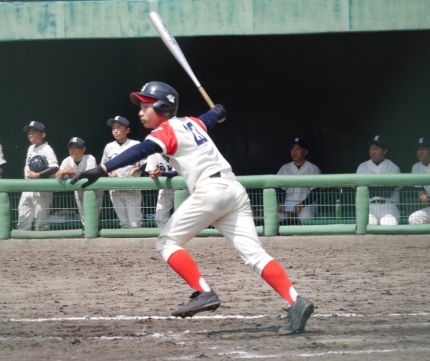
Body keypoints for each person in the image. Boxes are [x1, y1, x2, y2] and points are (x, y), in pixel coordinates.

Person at [72, 81, 315, 335]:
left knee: (167, 242)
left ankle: (203, 291)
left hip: (210, 191)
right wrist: (217, 112)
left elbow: (142, 150)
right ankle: (295, 301)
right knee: (255, 255)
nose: (140, 112)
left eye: (146, 106)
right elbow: (208, 119)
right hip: (234, 190)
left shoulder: (166, 130)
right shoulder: (192, 123)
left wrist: (102, 168)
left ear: (163, 106)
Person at [101, 116, 144, 228]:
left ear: (127, 130)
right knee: (123, 223)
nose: (115, 130)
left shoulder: (135, 144)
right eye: (113, 128)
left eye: (119, 128)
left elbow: (147, 163)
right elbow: (104, 165)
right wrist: (109, 172)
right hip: (115, 189)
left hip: (132, 188)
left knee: (134, 224)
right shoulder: (109, 147)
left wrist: (136, 169)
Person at [18, 121, 59, 231]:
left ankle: (42, 242)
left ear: (43, 135)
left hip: (42, 188)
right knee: (23, 220)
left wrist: (38, 175)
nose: (30, 135)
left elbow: (55, 167)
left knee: (41, 223)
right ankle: (22, 241)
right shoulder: (30, 148)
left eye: (34, 132)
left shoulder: (47, 149)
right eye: (29, 132)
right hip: (28, 186)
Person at [55, 137, 104, 224]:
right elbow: (58, 175)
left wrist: (72, 173)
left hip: (94, 192)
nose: (73, 150)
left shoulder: (90, 158)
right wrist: (65, 171)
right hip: (79, 192)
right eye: (71, 148)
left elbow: (89, 175)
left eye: (76, 147)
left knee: (94, 219)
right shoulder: (67, 161)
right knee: (84, 219)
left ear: (83, 149)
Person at [356, 135, 401, 225]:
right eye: (371, 149)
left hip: (388, 206)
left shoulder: (393, 168)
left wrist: (369, 186)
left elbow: (387, 192)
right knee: (367, 225)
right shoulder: (362, 167)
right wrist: (381, 185)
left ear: (385, 151)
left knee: (389, 225)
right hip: (369, 206)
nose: (373, 152)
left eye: (376, 149)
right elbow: (359, 191)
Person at [276, 138, 322, 223]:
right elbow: (280, 189)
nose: (294, 152)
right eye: (292, 149)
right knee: (275, 217)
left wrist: (302, 204)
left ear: (305, 152)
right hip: (288, 203)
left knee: (306, 218)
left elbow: (315, 192)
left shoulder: (313, 169)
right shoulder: (285, 168)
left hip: (306, 204)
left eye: (298, 149)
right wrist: (280, 203)